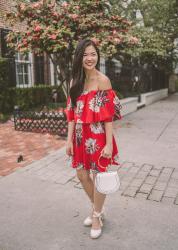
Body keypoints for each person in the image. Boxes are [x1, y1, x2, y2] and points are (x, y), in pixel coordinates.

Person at [64, 39, 122, 239]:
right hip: (80, 136)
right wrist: (69, 140)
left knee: (98, 178)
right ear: (79, 57)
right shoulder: (75, 82)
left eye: (93, 54)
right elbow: (72, 113)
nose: (90, 58)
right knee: (81, 175)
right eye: (85, 54)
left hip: (98, 136)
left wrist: (108, 144)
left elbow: (108, 117)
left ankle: (96, 215)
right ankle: (98, 208)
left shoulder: (103, 80)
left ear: (97, 56)